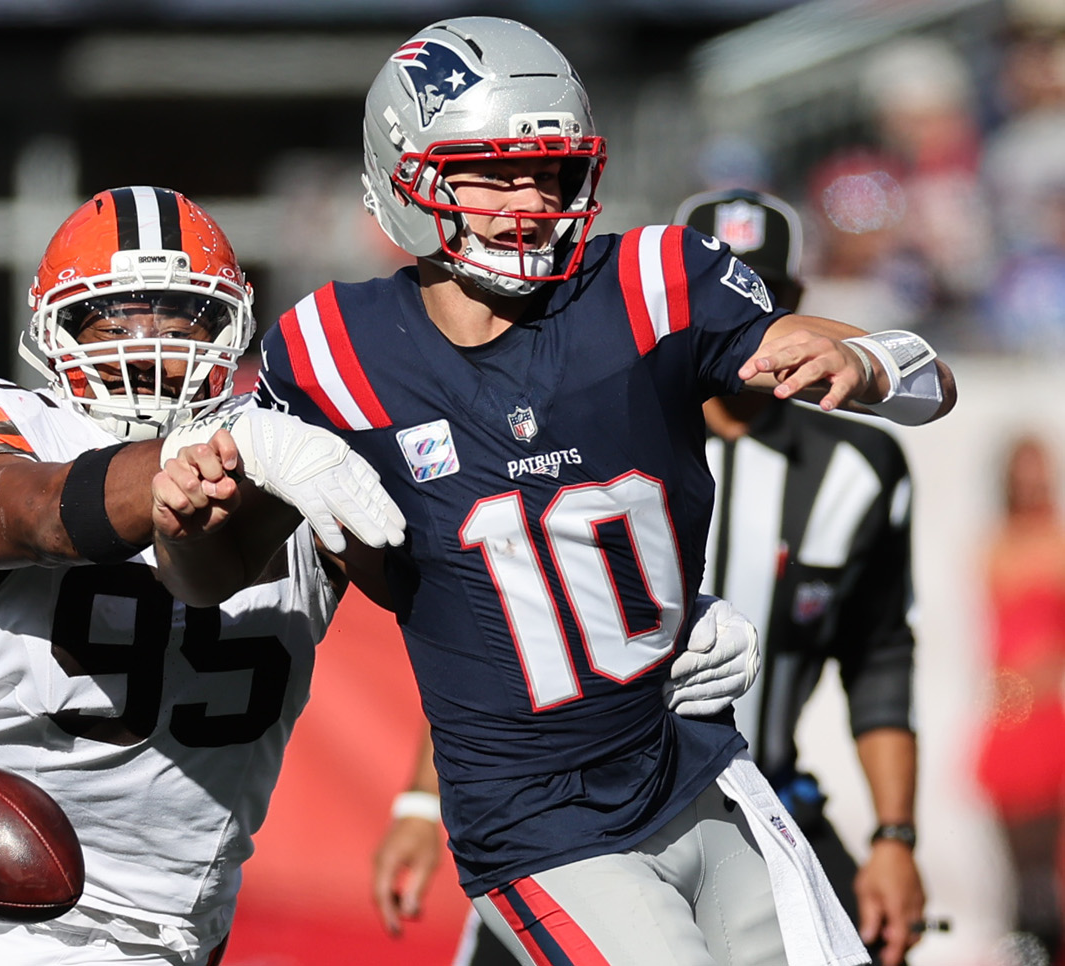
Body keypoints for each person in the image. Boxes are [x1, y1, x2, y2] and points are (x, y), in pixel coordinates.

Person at [253, 17, 956, 966]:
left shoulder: (652, 281)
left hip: (691, 770)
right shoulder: (327, 350)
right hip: (536, 824)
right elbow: (297, 554)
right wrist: (248, 449)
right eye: (494, 172)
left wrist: (860, 359)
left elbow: (925, 381)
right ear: (406, 169)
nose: (530, 201)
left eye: (549, 171)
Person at [0, 185, 409, 966]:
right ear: (55, 327)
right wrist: (245, 447)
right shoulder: (3, 423)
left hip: (163, 928)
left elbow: (457, 606)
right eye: (114, 314)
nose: (147, 341)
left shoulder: (294, 459)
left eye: (181, 314)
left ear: (229, 324)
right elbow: (19, 513)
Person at [372, 187, 930, 966]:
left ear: (791, 300)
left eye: (765, 288)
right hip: (568, 811)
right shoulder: (591, 421)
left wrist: (893, 835)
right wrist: (418, 798)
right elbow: (501, 634)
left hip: (750, 797)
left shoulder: (851, 465)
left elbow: (878, 656)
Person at [975, 434, 1065, 964]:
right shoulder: (997, 544)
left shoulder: (1054, 539)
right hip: (1013, 718)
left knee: (1048, 868)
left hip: (1048, 717)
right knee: (1022, 876)